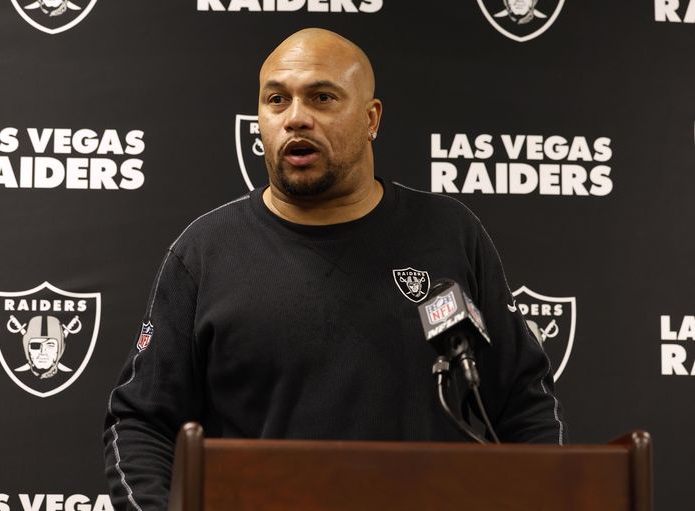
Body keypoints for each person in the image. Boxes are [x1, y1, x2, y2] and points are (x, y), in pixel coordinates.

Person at [103, 28, 566, 511]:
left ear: (371, 119)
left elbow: (523, 402)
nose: (296, 118)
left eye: (322, 97)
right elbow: (140, 423)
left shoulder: (449, 234)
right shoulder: (203, 252)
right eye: (277, 100)